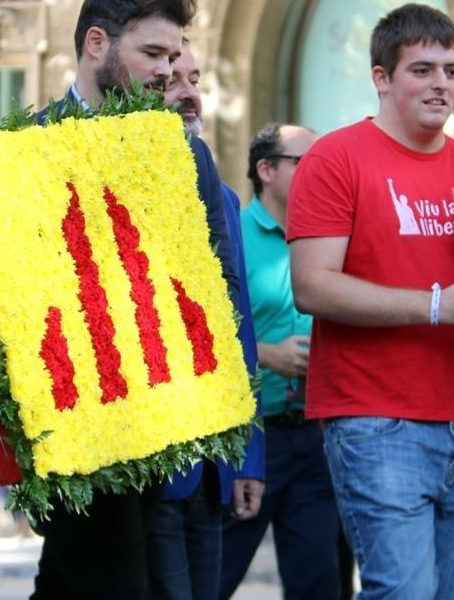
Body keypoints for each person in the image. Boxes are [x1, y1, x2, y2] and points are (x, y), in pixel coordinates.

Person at [287, 3, 454, 599]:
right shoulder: (336, 157)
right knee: (402, 594)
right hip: (375, 419)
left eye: (451, 70)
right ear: (382, 78)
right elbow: (312, 286)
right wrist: (436, 305)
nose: (441, 83)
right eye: (422, 69)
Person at [33, 0, 239, 600]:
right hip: (77, 429)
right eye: (152, 53)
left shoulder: (186, 151)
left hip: (171, 422)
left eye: (173, 56)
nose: (164, 71)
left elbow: (220, 278)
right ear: (97, 43)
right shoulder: (25, 147)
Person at [148, 40, 265, 600]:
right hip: (152, 463)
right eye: (173, 79)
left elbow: (238, 326)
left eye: (194, 79)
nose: (188, 92)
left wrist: (248, 455)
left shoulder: (223, 197)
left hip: (215, 460)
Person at [219, 122, 342, 600]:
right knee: (214, 577)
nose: (321, 173)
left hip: (316, 435)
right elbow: (204, 332)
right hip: (253, 439)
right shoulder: (233, 234)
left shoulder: (328, 235)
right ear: (266, 170)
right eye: (307, 163)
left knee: (318, 584)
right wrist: (266, 355)